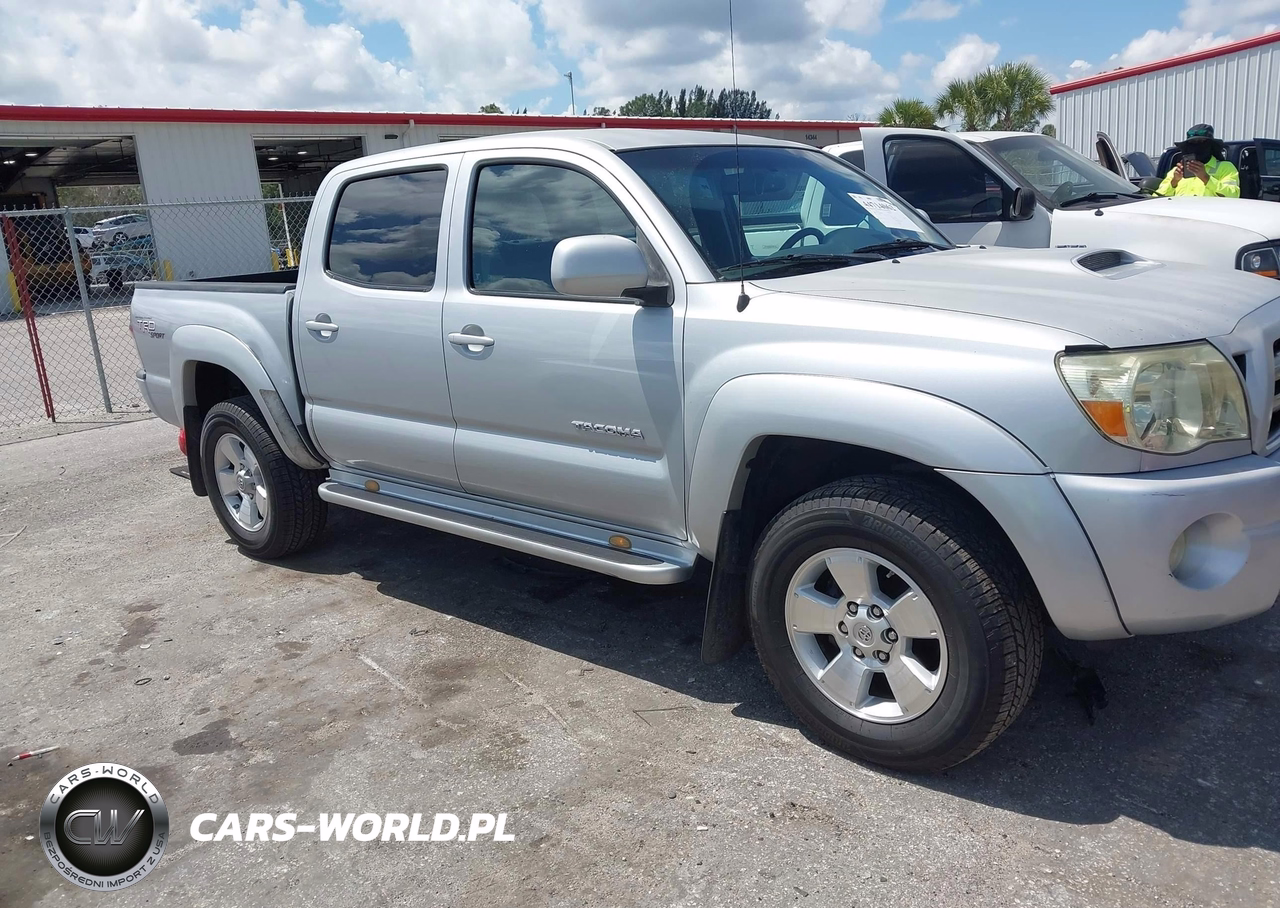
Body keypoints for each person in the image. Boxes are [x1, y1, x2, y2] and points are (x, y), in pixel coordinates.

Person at [1155, 124, 1240, 198]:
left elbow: (1233, 195)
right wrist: (1174, 181)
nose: (1197, 146)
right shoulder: (1177, 171)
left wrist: (1206, 178)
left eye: (1202, 142)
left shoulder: (1225, 167)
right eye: (1192, 143)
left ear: (1211, 146)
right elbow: (1155, 199)